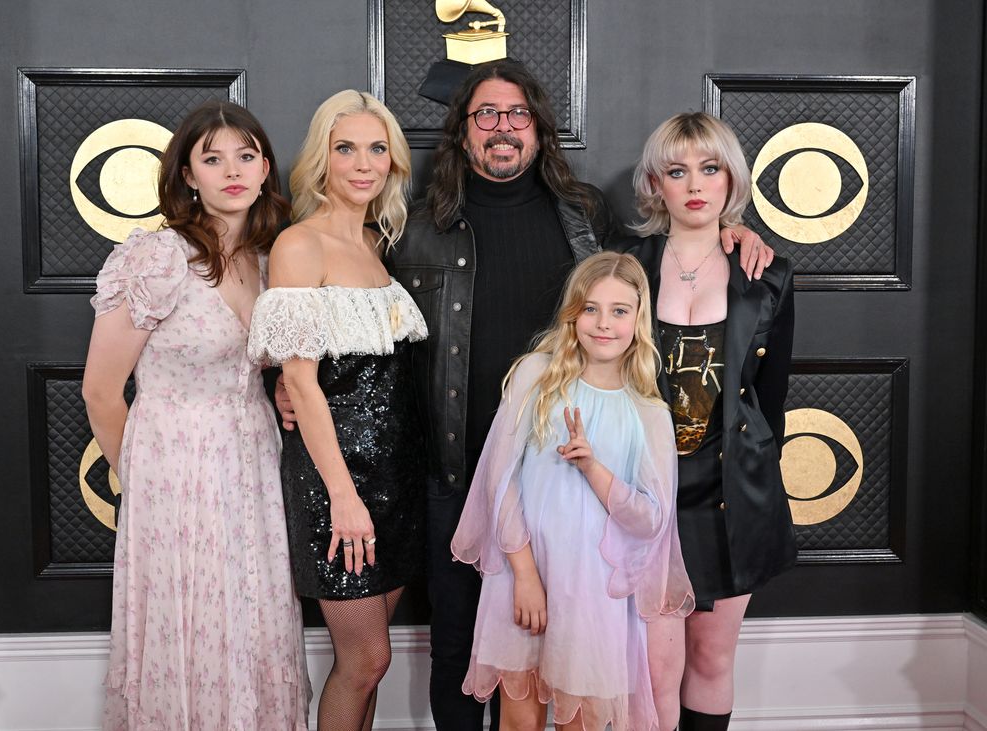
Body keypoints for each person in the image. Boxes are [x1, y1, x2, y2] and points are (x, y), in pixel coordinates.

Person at [278, 59, 772, 730]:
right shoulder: (415, 229)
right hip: (454, 473)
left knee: (561, 655)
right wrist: (288, 376)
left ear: (539, 128)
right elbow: (346, 311)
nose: (503, 127)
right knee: (460, 651)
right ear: (464, 131)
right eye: (486, 114)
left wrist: (731, 231)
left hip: (566, 482)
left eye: (518, 114)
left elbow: (654, 266)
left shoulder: (587, 216)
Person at [82, 100, 309, 729]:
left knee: (252, 615)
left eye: (245, 155)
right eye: (212, 159)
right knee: (193, 620)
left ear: (266, 168)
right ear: (188, 174)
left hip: (255, 466)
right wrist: (146, 483)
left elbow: (261, 367)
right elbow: (101, 391)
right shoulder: (157, 258)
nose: (231, 170)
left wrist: (283, 392)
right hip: (172, 474)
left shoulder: (273, 261)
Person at [450, 251, 695, 731]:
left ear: (639, 319)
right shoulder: (535, 377)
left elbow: (651, 520)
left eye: (620, 311)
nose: (603, 324)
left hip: (591, 596)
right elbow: (500, 483)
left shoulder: (648, 413)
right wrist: (523, 574)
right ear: (573, 314)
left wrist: (592, 467)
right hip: (523, 577)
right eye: (591, 309)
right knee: (518, 718)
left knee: (577, 723)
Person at [247, 90, 427, 731]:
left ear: (393, 163)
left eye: (377, 149)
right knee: (366, 659)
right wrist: (344, 497)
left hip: (398, 482)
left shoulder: (380, 245)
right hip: (336, 483)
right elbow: (301, 381)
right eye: (345, 147)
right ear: (322, 158)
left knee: (370, 667)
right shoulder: (301, 244)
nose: (363, 163)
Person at [623, 112, 796, 731]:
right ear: (654, 184)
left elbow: (770, 396)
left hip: (730, 494)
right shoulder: (625, 264)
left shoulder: (768, 273)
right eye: (677, 170)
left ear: (730, 180)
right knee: (648, 667)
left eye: (710, 167)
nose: (694, 183)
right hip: (646, 493)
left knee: (713, 655)